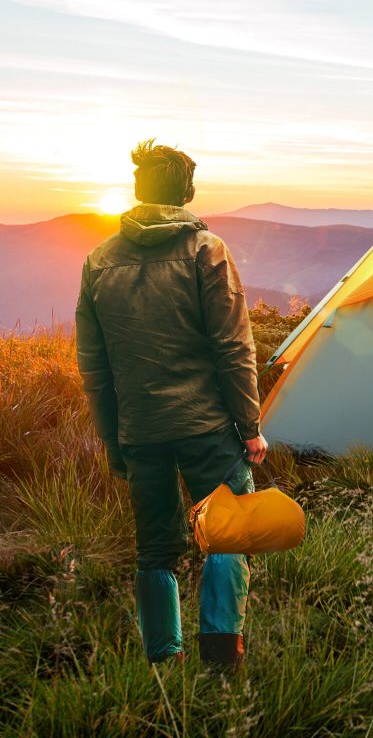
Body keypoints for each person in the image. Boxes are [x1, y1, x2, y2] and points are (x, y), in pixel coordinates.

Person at [75, 139, 268, 670]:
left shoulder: (98, 262)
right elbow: (233, 347)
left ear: (138, 190)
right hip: (207, 426)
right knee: (226, 536)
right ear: (185, 193)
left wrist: (114, 439)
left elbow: (94, 369)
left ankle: (164, 658)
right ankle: (222, 657)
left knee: (154, 547)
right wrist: (249, 426)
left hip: (140, 430)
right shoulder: (207, 250)